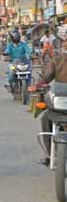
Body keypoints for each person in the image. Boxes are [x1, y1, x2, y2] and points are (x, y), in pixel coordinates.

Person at [30, 26, 67, 165]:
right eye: (66, 40)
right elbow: (45, 77)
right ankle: (49, 154)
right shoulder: (57, 60)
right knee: (45, 118)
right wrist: (37, 85)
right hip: (61, 103)